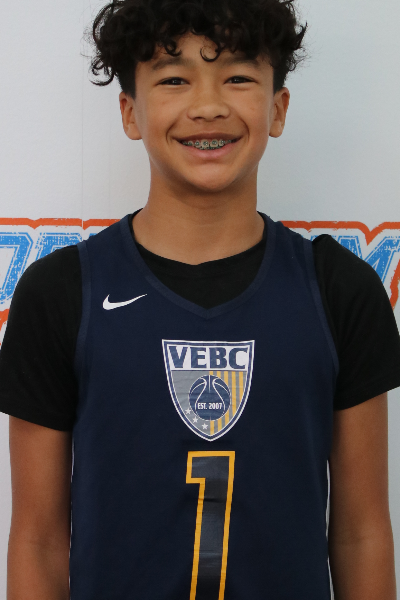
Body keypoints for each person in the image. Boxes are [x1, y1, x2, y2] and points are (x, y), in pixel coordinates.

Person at [1, 0, 400, 598]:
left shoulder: (338, 290)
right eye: (173, 79)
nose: (208, 105)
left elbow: (362, 533)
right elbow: (37, 540)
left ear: (278, 108)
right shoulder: (61, 293)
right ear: (130, 112)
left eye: (238, 77)